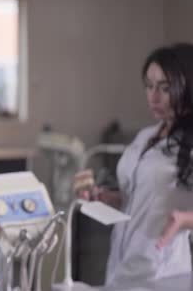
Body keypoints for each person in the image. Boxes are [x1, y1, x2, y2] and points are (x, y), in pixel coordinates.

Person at [75, 43, 193, 286]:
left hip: (163, 271)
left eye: (165, 88)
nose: (154, 97)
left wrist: (185, 220)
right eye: (149, 86)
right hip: (124, 262)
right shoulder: (146, 136)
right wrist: (110, 198)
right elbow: (141, 196)